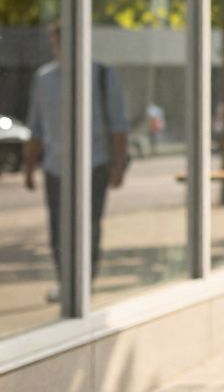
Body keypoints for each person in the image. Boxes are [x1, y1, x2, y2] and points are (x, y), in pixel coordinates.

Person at [23, 22, 129, 303]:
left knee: (89, 225)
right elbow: (36, 126)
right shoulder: (44, 78)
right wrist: (29, 168)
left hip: (94, 164)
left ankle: (85, 282)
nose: (59, 49)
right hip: (56, 167)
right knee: (58, 228)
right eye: (55, 43)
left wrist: (118, 165)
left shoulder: (103, 75)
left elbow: (119, 125)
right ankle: (65, 282)